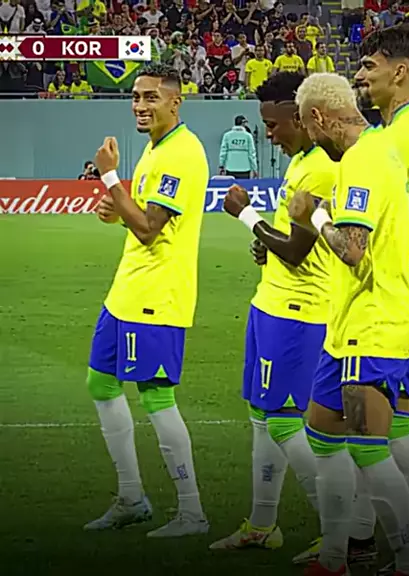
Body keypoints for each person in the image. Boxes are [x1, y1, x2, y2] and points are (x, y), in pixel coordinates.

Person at [291, 72, 409, 576]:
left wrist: (313, 215)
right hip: (351, 322)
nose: (309, 137)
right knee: (322, 431)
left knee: (369, 450)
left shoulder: (362, 160)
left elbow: (351, 249)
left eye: (307, 126)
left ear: (318, 117)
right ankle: (335, 557)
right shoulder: (377, 149)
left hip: (372, 324)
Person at [210, 72, 336, 551]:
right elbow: (289, 239)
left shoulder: (320, 168)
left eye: (274, 124)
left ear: (301, 118)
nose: (269, 134)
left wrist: (246, 215)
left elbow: (299, 252)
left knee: (283, 418)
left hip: (300, 310)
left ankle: (339, 531)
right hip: (271, 302)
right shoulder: (300, 162)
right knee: (262, 414)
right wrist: (267, 243)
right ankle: (262, 525)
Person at [85, 63, 210, 538]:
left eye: (151, 97)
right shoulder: (156, 147)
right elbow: (138, 216)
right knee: (100, 382)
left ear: (176, 102)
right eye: (136, 97)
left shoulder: (181, 153)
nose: (140, 105)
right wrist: (116, 207)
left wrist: (110, 179)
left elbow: (150, 228)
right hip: (127, 290)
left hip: (157, 294)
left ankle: (192, 512)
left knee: (156, 396)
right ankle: (132, 497)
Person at [350, 26, 409, 575]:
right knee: (392, 423)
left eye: (370, 65)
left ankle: (406, 548)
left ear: (400, 71)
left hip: (398, 297)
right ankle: (403, 545)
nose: (361, 75)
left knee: (377, 429)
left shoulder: (396, 139)